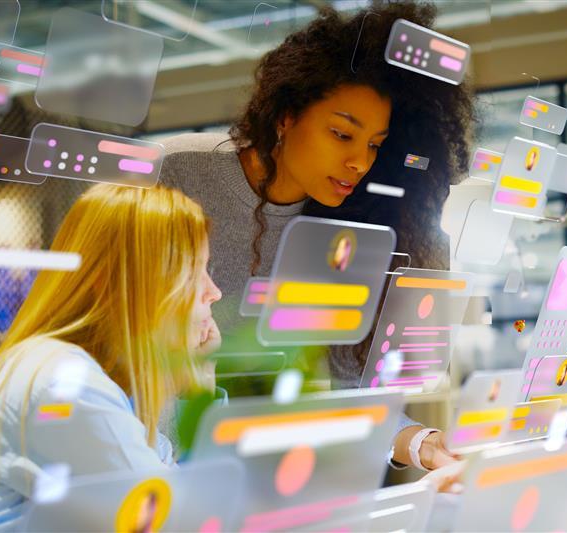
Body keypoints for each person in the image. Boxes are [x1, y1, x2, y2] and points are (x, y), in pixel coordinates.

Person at [159, 0, 474, 472]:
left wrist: (417, 442)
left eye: (374, 145)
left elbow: (342, 389)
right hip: (159, 466)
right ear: (286, 116)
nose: (359, 163)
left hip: (274, 479)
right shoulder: (177, 172)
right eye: (341, 135)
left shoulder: (355, 227)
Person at [0, 184, 222, 530]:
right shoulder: (64, 382)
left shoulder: (92, 376)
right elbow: (182, 521)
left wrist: (195, 381)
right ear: (119, 284)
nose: (214, 291)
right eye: (194, 272)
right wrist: (198, 391)